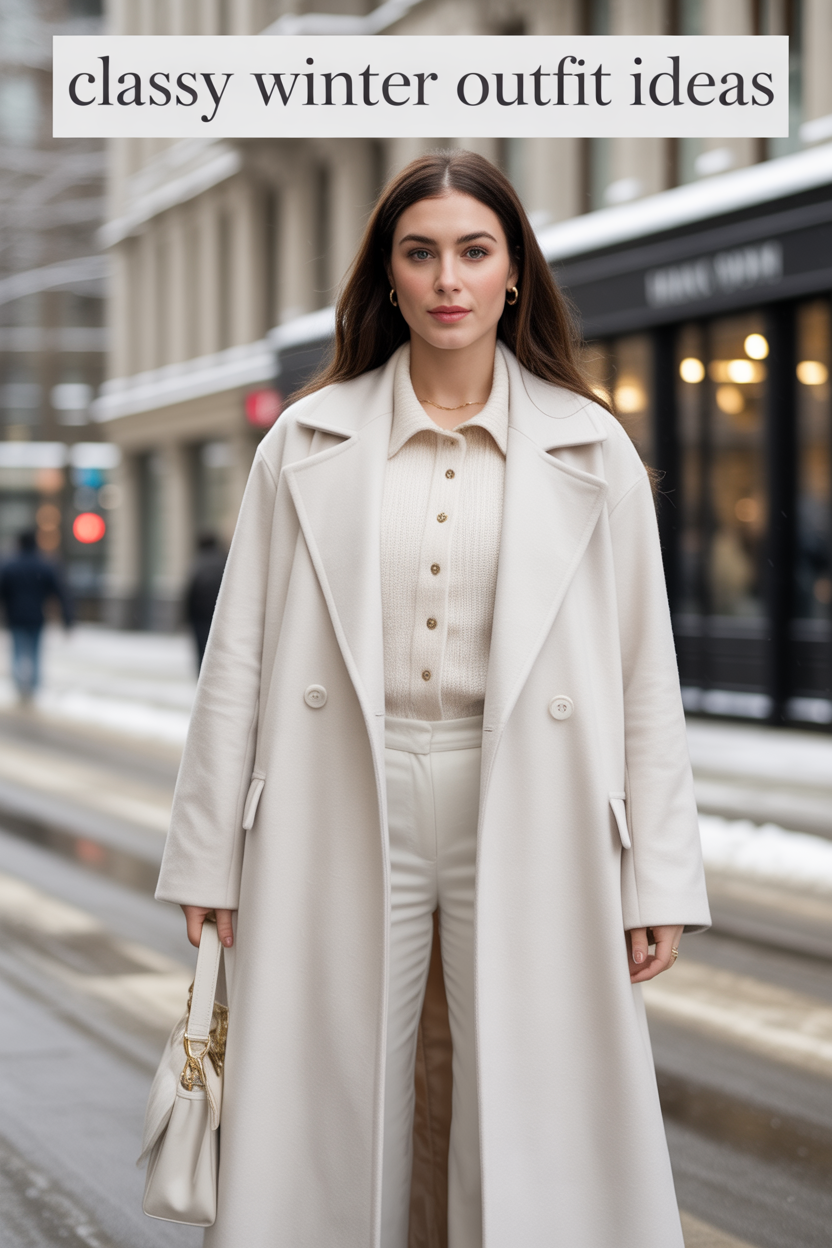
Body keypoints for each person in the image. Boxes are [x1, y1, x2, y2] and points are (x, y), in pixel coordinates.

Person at [155, 151, 710, 1248]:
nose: (447, 278)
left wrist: (658, 873)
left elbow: (645, 674)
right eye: (420, 253)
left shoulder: (589, 447)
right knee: (336, 1076)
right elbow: (241, 664)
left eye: (473, 251)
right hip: (337, 792)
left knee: (520, 1079)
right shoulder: (302, 440)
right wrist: (209, 856)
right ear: (388, 278)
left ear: (513, 275)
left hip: (535, 800)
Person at [0, 530, 73, 702]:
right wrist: (67, 618)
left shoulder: (10, 567)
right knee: (35, 653)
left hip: (15, 617)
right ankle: (34, 687)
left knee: (18, 652)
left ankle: (20, 686)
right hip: (36, 617)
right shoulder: (44, 565)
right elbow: (60, 592)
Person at [184, 533, 227, 669]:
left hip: (201, 619)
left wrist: (187, 618)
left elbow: (191, 593)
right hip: (223, 616)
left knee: (203, 652)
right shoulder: (225, 561)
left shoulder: (199, 564)